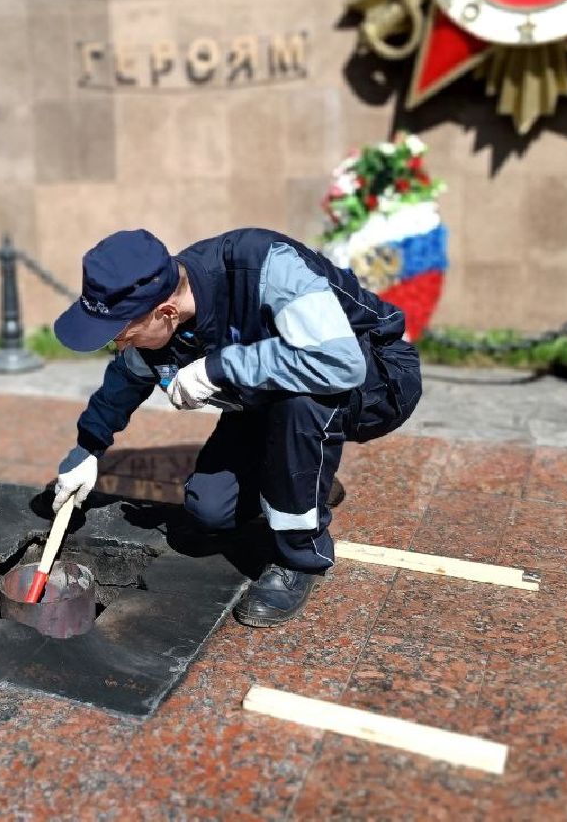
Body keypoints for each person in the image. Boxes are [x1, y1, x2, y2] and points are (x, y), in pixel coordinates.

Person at [51, 228, 422, 627]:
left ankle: (300, 555)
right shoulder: (159, 304)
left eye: (123, 335)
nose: (121, 345)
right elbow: (128, 377)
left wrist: (218, 367)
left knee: (300, 402)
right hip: (265, 397)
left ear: (166, 313)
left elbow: (339, 363)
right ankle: (297, 482)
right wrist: (88, 447)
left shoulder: (268, 267)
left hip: (375, 378)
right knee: (209, 511)